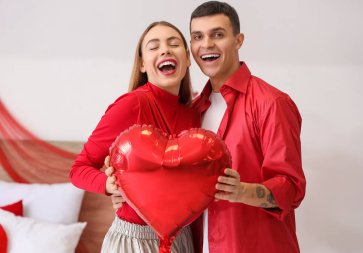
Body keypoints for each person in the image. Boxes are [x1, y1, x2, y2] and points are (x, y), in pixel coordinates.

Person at [70, 21, 199, 253]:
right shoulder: (132, 105)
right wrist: (110, 185)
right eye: (153, 46)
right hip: (135, 242)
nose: (165, 50)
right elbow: (79, 169)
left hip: (182, 239)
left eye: (174, 43)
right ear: (141, 64)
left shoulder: (194, 115)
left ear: (188, 58)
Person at [188, 1, 306, 253]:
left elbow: (292, 189)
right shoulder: (194, 110)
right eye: (198, 37)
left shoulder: (273, 103)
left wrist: (242, 191)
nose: (206, 44)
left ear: (238, 40)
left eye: (217, 34)